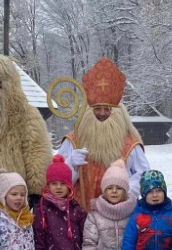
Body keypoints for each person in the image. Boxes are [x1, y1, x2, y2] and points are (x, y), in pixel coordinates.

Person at [57, 57, 151, 207]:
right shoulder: (74, 140)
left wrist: (127, 191)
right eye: (97, 109)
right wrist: (70, 164)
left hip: (118, 215)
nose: (102, 113)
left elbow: (144, 175)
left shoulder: (130, 144)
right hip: (80, 215)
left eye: (107, 109)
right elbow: (55, 177)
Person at [34, 155, 88, 250]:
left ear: (69, 185)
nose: (58, 187)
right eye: (54, 183)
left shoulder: (77, 209)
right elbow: (39, 241)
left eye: (63, 184)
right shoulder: (41, 210)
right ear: (48, 185)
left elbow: (86, 239)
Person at [80, 159, 136, 250]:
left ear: (125, 191)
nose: (114, 191)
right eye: (110, 188)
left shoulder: (133, 212)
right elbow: (89, 244)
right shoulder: (95, 215)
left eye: (119, 188)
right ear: (104, 190)